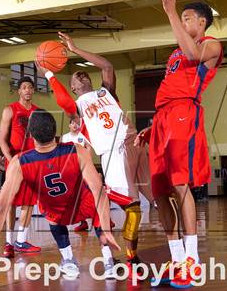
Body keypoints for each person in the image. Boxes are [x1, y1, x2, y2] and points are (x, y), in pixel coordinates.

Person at [36, 32, 154, 279]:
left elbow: (107, 66)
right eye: (76, 77)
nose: (81, 75)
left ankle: (182, 253)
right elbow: (63, 101)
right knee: (132, 209)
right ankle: (130, 259)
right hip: (114, 153)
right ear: (73, 87)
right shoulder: (76, 109)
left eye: (84, 73)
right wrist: (48, 74)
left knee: (161, 197)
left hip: (136, 142)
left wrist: (75, 49)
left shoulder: (106, 92)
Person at [134, 0, 223, 287]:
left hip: (186, 114)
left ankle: (193, 262)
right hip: (163, 118)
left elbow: (192, 52)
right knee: (159, 191)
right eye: (181, 17)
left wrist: (170, 11)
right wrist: (154, 124)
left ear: (202, 22)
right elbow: (169, 88)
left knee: (180, 184)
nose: (184, 22)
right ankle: (176, 259)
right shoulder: (175, 53)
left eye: (188, 18)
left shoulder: (211, 44)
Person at [0, 110, 120, 279]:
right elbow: (99, 190)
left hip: (57, 213)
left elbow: (1, 207)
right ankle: (109, 261)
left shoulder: (19, 162)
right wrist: (106, 229)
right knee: (95, 201)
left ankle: (69, 260)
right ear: (55, 130)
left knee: (45, 207)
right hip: (84, 206)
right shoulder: (76, 150)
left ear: (31, 135)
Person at [0, 76, 40, 257]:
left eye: (30, 87)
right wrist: (10, 161)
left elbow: (42, 139)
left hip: (33, 161)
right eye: (24, 87)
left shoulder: (39, 113)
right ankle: (8, 243)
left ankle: (21, 241)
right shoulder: (10, 110)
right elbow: (2, 141)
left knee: (29, 201)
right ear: (19, 91)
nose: (28, 90)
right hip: (15, 161)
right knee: (11, 202)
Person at [61, 117, 91, 232]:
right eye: (73, 123)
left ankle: (106, 220)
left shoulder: (83, 136)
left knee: (89, 193)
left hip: (83, 168)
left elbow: (88, 148)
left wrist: (85, 161)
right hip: (69, 169)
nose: (75, 125)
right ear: (69, 125)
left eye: (77, 123)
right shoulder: (64, 138)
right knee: (76, 196)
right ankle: (83, 222)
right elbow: (60, 152)